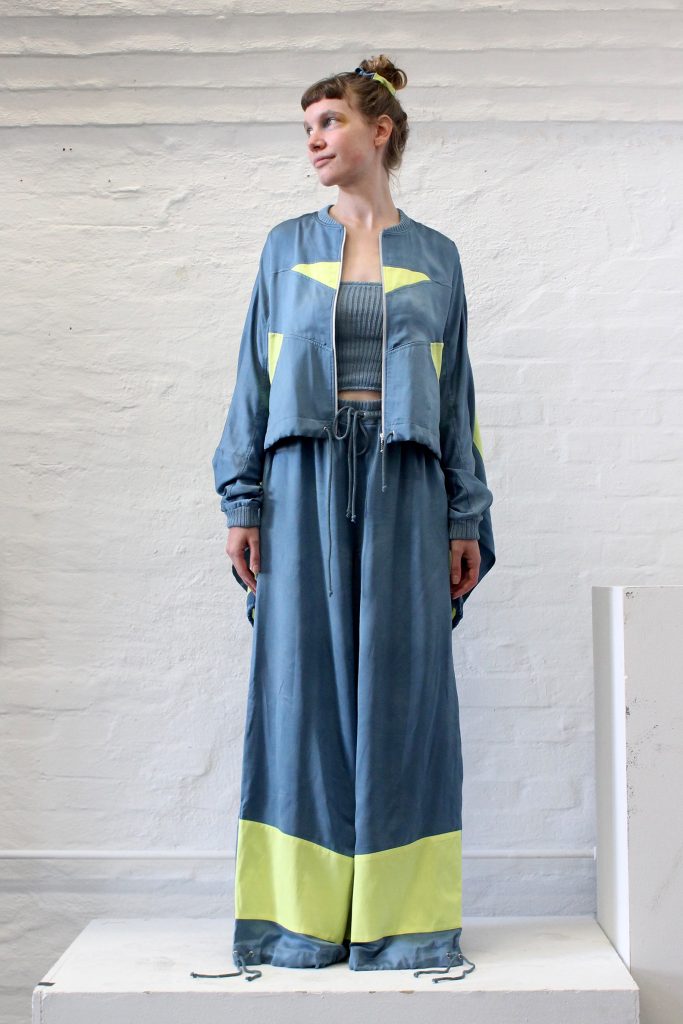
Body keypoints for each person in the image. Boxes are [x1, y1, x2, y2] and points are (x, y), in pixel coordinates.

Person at [198, 55, 495, 981]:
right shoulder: (283, 246)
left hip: (407, 483)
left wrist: (465, 516)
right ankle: (297, 922)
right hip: (301, 484)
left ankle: (403, 925)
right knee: (298, 694)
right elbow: (252, 379)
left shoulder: (436, 255)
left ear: (381, 130)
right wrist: (242, 498)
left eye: (328, 122)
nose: (315, 141)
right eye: (307, 129)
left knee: (405, 698)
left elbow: (456, 399)